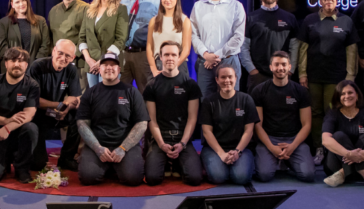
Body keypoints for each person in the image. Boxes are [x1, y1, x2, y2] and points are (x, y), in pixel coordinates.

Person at [298, 0, 359, 166]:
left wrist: (350, 77)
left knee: (332, 112)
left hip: (338, 79)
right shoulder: (310, 20)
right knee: (315, 113)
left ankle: (333, 151)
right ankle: (318, 148)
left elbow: (352, 51)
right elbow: (302, 49)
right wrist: (301, 74)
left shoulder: (346, 21)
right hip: (314, 77)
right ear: (320, 0)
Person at [76, 53, 149, 186]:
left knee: (133, 178)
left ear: (119, 69)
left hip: (125, 145)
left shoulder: (132, 92)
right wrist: (97, 148)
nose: (109, 68)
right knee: (88, 178)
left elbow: (142, 124)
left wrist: (123, 148)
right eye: (105, 65)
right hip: (97, 144)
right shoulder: (90, 93)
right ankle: (110, 167)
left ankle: (114, 167)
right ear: (99, 69)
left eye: (113, 65)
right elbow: (82, 124)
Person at [143, 41, 203, 186]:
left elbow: (192, 118)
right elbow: (152, 119)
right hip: (160, 139)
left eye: (173, 54)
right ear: (160, 58)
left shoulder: (190, 85)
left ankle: (177, 162)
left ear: (179, 58)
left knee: (194, 179)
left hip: (182, 139)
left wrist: (182, 144)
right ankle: (166, 161)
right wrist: (161, 144)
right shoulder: (152, 85)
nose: (170, 58)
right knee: (152, 179)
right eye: (166, 54)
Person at [0, 47, 40, 184]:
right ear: (5, 64)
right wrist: (4, 121)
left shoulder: (32, 85)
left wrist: (7, 128)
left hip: (16, 133)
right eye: (13, 61)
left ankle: (22, 168)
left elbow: (29, 114)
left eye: (21, 61)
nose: (17, 64)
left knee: (31, 127)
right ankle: (4, 161)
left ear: (26, 65)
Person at [252, 51, 314, 183]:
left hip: (294, 139)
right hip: (269, 139)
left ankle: (288, 161)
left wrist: (292, 146)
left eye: (284, 64)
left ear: (290, 67)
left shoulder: (300, 91)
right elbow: (257, 124)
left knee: (308, 175)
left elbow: (307, 124)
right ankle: (276, 159)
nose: (280, 68)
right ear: (271, 67)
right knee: (264, 175)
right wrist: (271, 147)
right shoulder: (259, 91)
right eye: (277, 64)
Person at [190, 0, 246, 98]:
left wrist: (215, 56)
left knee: (231, 101)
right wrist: (205, 54)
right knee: (205, 102)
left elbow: (238, 37)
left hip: (229, 61)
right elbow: (193, 34)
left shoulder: (236, 6)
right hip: (205, 64)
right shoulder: (198, 6)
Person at [199, 63, 258, 185]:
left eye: (230, 77)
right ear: (217, 80)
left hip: (241, 148)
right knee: (219, 177)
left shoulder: (246, 99)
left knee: (241, 178)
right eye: (223, 77)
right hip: (214, 149)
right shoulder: (209, 101)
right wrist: (221, 153)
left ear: (236, 78)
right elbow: (206, 131)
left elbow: (249, 131)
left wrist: (237, 151)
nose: (227, 80)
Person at [29, 39, 82, 171]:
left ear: (73, 58)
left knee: (80, 116)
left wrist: (66, 108)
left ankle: (67, 158)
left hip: (59, 112)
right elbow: (33, 100)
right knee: (38, 165)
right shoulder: (37, 66)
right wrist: (60, 105)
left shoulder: (71, 70)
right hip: (38, 114)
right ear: (53, 51)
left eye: (68, 56)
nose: (63, 58)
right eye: (60, 53)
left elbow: (76, 98)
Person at [240, 0, 299, 94]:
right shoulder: (250, 18)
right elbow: (244, 47)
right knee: (256, 111)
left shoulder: (290, 18)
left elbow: (295, 47)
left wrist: (290, 70)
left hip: (283, 75)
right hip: (258, 76)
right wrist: (252, 71)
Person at [78, 0, 129, 88]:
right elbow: (81, 38)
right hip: (91, 64)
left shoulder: (121, 9)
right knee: (94, 98)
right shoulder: (89, 9)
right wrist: (88, 59)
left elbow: (121, 39)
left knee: (107, 98)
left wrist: (102, 60)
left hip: (109, 62)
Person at [120, 0, 160, 94]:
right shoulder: (121, 1)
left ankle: (146, 115)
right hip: (122, 54)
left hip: (143, 55)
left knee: (146, 93)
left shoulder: (157, 3)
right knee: (120, 94)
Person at [48, 0, 88, 91]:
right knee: (59, 99)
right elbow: (51, 38)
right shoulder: (53, 11)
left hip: (78, 63)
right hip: (58, 64)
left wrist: (72, 55)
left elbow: (89, 37)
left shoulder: (86, 9)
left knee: (78, 99)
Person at [322, 80, 364, 187]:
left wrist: (362, 155)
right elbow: (325, 140)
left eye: (350, 93)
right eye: (342, 94)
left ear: (357, 95)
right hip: (335, 164)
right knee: (338, 136)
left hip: (354, 163)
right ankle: (361, 170)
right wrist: (349, 154)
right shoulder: (333, 113)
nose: (346, 96)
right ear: (338, 97)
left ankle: (343, 173)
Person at [0, 0, 50, 73]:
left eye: (23, 0)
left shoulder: (40, 21)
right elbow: (2, 47)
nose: (21, 4)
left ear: (27, 2)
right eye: (17, 2)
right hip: (13, 68)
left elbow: (45, 44)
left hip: (35, 68)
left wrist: (36, 63)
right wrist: (16, 62)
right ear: (12, 5)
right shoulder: (4, 22)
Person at [147, 0, 191, 78]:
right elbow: (150, 47)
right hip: (158, 64)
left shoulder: (185, 21)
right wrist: (154, 69)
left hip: (178, 65)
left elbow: (186, 49)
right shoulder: (153, 21)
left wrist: (173, 66)